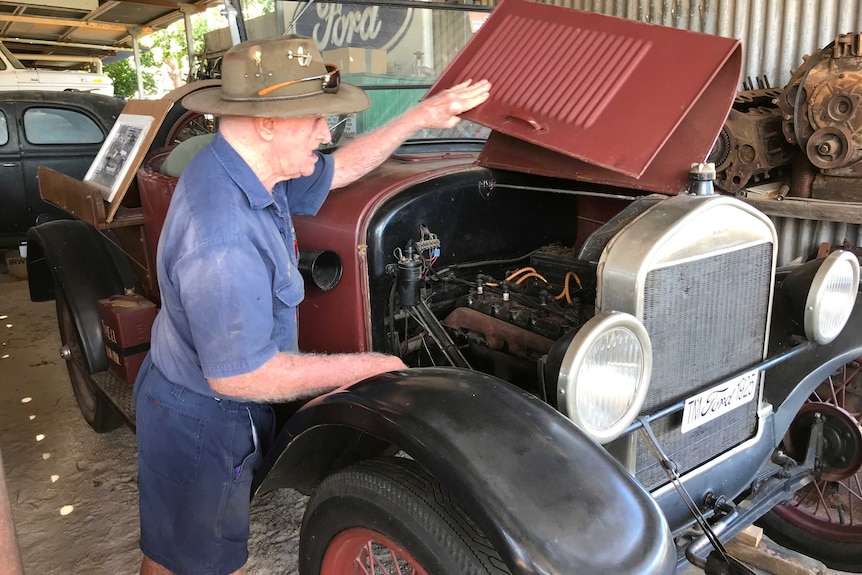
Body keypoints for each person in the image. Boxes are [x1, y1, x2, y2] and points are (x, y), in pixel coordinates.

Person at [133, 34, 491, 575]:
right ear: (267, 123)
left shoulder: (250, 168)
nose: (326, 132)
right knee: (194, 564)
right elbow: (241, 377)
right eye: (316, 118)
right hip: (202, 418)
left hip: (212, 404)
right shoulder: (223, 234)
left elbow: (340, 169)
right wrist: (370, 367)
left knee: (180, 549)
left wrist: (420, 117)